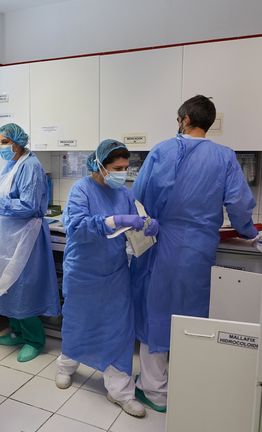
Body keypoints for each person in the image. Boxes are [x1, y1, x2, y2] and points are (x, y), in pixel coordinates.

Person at [130, 95, 258, 412]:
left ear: (184, 119)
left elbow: (138, 195)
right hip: (199, 247)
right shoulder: (225, 156)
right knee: (192, 314)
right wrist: (251, 231)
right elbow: (240, 206)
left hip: (160, 244)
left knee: (155, 312)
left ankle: (155, 391)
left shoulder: (162, 149)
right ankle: (190, 383)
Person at [56, 140, 158, 418]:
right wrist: (113, 221)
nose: (123, 173)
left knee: (119, 329)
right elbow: (76, 227)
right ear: (99, 165)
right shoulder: (81, 189)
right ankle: (66, 366)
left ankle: (120, 390)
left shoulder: (124, 193)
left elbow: (136, 223)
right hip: (83, 273)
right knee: (79, 322)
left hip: (114, 273)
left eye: (126, 168)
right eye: (117, 168)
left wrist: (148, 224)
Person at [0, 123, 61, 362]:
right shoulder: (9, 163)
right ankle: (17, 331)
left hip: (25, 236)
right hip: (6, 234)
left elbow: (29, 204)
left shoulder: (31, 165)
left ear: (17, 143)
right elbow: (6, 186)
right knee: (6, 283)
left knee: (23, 287)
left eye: (4, 142)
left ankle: (34, 339)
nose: (0, 146)